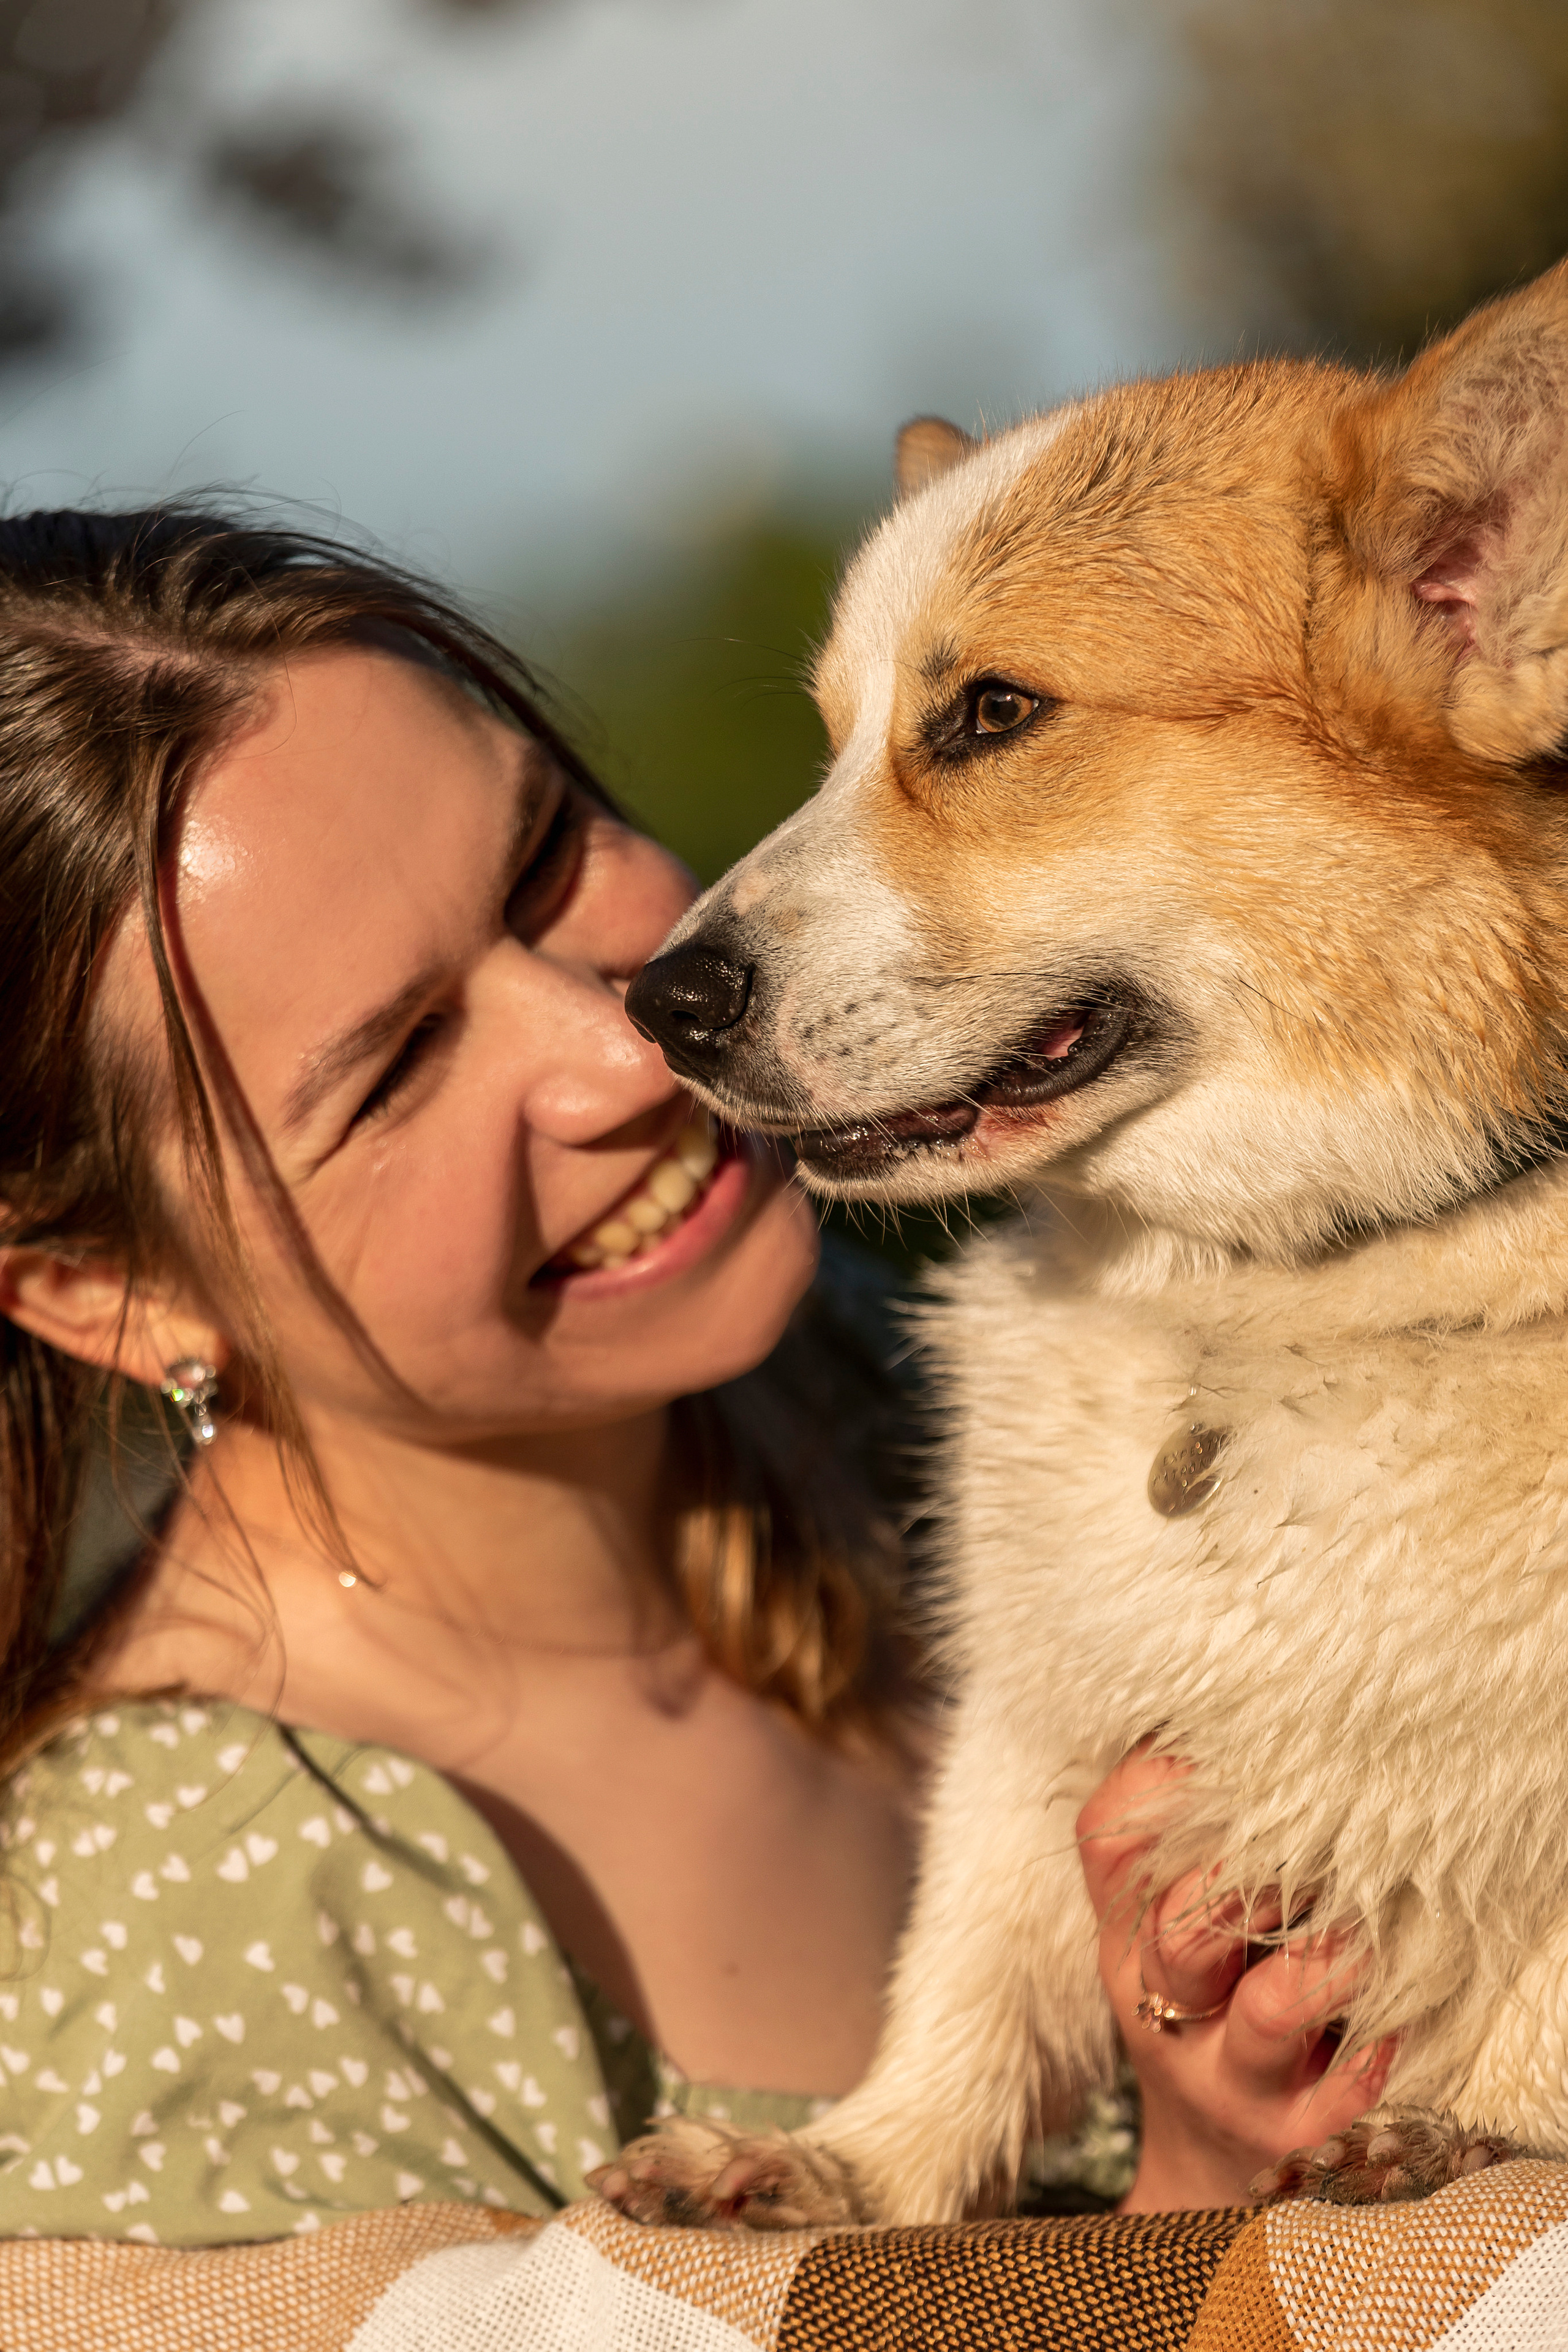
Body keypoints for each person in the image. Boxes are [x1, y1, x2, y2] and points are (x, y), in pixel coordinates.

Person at [0, 505, 1383, 2253]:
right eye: (401, 1065)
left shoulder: (899, 1381)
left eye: (544, 858)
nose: (621, 1044)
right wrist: (1199, 2225)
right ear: (103, 1288)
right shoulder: (186, 1929)